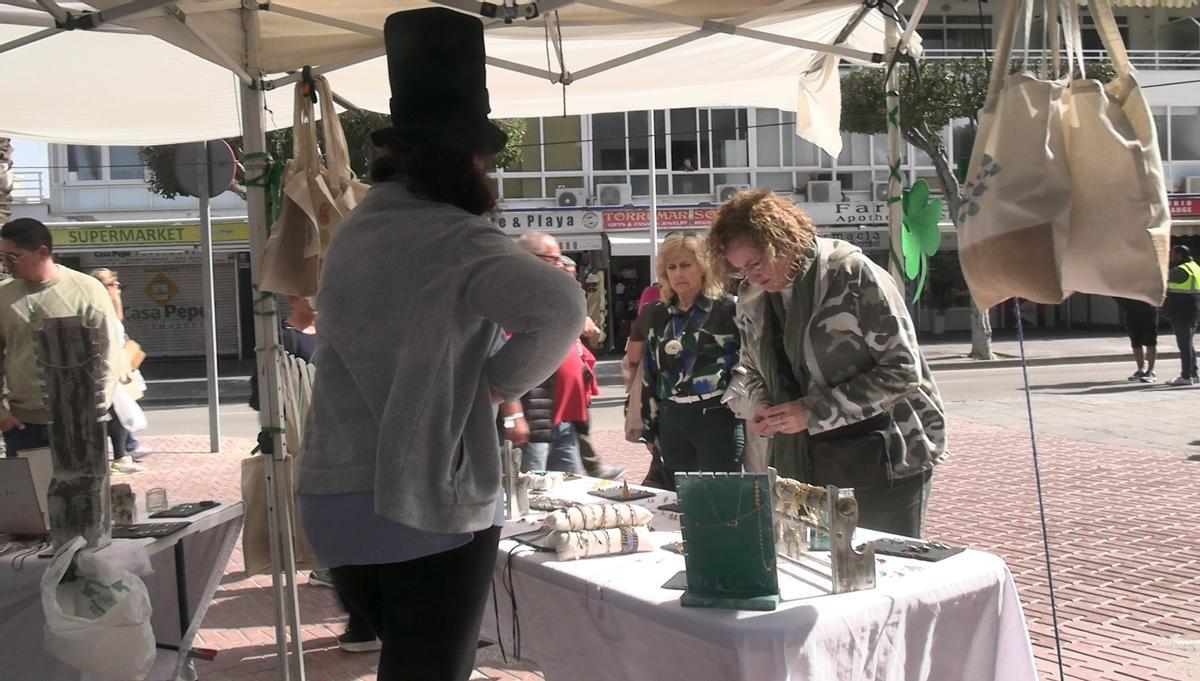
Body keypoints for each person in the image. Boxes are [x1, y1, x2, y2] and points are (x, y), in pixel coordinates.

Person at [295, 9, 584, 681]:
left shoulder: (358, 230)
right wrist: (493, 385)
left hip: (334, 499)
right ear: (467, 160)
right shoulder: (457, 239)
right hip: (423, 498)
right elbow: (561, 308)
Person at [707, 189, 946, 538]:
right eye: (739, 268)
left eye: (755, 263)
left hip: (882, 459)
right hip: (802, 465)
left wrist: (811, 412)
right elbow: (751, 369)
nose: (751, 276)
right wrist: (762, 405)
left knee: (885, 573)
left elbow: (903, 370)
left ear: (782, 240)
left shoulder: (851, 273)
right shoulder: (752, 297)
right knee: (811, 570)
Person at [0, 218, 121, 458]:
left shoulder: (87, 289)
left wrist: (96, 409)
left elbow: (108, 354)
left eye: (13, 257)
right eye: (1, 257)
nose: (5, 264)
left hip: (80, 420)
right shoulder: (3, 295)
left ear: (42, 252)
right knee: (30, 495)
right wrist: (1, 416)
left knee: (84, 494)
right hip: (23, 424)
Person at [640, 233, 742, 489]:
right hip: (673, 419)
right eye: (671, 267)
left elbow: (750, 361)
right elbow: (650, 371)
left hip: (716, 417)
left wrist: (739, 398)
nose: (678, 274)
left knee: (721, 499)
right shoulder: (656, 314)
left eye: (686, 265)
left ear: (703, 267)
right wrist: (649, 427)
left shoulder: (729, 309)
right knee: (681, 501)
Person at [505, 232, 594, 475]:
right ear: (528, 259)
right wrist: (513, 417)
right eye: (552, 259)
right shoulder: (513, 302)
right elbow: (505, 364)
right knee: (533, 489)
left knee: (567, 488)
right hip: (534, 418)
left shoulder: (550, 297)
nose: (560, 265)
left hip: (564, 417)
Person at [559, 253, 625, 480]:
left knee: (576, 432)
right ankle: (591, 470)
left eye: (574, 276)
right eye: (568, 275)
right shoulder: (553, 300)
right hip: (552, 395)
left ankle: (588, 470)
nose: (574, 281)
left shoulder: (574, 299)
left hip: (576, 387)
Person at [88, 268, 147, 475]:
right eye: (113, 285)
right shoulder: (98, 310)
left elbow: (119, 318)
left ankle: (124, 451)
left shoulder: (107, 308)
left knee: (119, 412)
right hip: (109, 370)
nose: (117, 289)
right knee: (117, 414)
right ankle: (121, 455)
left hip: (118, 368)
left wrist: (117, 296)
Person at [1164, 244, 1200, 387]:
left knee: (1184, 345)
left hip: (1181, 311)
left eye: (1172, 254)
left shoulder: (1180, 271)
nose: (1171, 257)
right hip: (1193, 310)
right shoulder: (1195, 267)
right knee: (1188, 344)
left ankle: (1185, 376)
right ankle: (1194, 374)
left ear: (1179, 256)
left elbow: (1162, 278)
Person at [1114, 297, 1159, 383]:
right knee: (1135, 343)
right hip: (1131, 312)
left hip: (1148, 310)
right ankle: (1140, 370)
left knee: (1150, 342)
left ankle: (1150, 371)